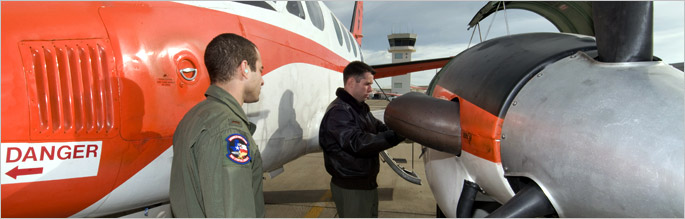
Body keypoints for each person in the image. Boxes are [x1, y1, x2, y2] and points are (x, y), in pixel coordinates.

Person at [169, 33, 265, 218]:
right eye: (260, 70)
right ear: (245, 68)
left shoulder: (194, 116)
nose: (262, 79)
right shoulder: (229, 130)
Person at [319, 61, 405, 218]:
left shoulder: (359, 109)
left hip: (366, 186)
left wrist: (403, 127)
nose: (371, 89)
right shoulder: (339, 112)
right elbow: (357, 143)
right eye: (367, 84)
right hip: (352, 189)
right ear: (351, 82)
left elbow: (379, 128)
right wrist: (395, 136)